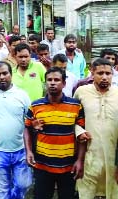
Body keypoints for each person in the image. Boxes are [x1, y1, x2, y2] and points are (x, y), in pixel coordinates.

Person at [24, 67, 87, 199]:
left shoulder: (76, 106)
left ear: (64, 83)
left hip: (68, 166)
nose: (52, 83)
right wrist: (29, 151)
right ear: (45, 83)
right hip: (42, 165)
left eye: (57, 80)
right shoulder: (36, 105)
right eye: (49, 80)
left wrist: (80, 161)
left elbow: (81, 136)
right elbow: (27, 129)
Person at [0, 61, 32, 199]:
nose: (2, 77)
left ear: (11, 74)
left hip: (20, 150)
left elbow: (30, 120)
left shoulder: (22, 95)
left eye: (5, 73)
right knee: (2, 190)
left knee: (23, 185)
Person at [74, 58, 118, 198]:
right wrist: (79, 132)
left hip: (113, 153)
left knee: (113, 188)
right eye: (100, 73)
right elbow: (71, 117)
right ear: (92, 73)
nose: (104, 77)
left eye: (108, 73)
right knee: (87, 190)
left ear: (113, 74)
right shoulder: (82, 92)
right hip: (89, 151)